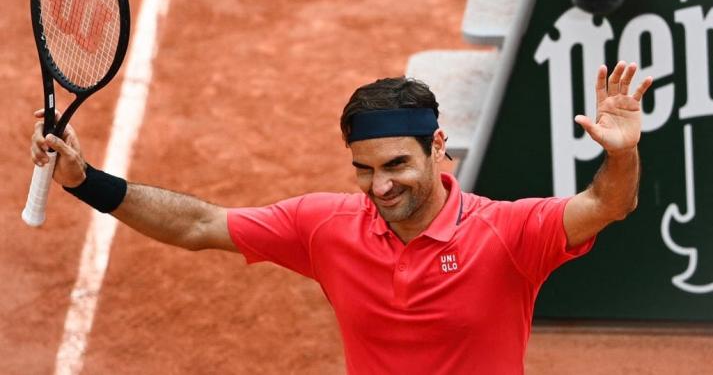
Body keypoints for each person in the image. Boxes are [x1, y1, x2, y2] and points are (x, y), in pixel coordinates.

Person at [30, 61, 652, 374]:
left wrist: (621, 156)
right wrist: (87, 182)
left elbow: (606, 205)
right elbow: (198, 226)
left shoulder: (508, 233)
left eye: (397, 165)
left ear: (439, 147)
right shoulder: (325, 227)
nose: (379, 186)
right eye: (363, 168)